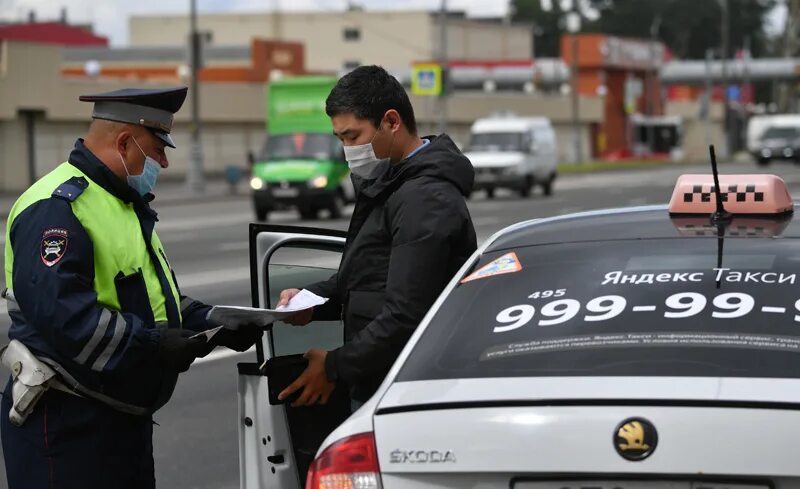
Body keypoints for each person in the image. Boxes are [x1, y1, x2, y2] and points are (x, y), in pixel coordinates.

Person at [1, 87, 263, 489]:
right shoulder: (58, 207)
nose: (163, 161)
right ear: (124, 142)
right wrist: (154, 345)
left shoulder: (122, 203)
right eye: (157, 150)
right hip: (68, 425)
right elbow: (66, 317)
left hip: (118, 423)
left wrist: (212, 319)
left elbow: (151, 300)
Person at [276, 65, 477, 410]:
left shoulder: (424, 198)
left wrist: (335, 366)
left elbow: (406, 313)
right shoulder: (392, 183)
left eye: (353, 137)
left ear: (392, 122)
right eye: (340, 140)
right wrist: (310, 299)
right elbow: (368, 278)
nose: (347, 151)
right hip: (383, 380)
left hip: (406, 390)